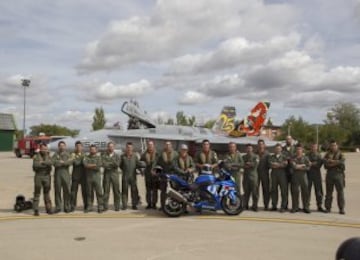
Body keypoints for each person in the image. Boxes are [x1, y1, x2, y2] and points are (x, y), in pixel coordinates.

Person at [324, 140, 346, 214]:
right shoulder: (327, 154)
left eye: (334, 145)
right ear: (330, 146)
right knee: (328, 193)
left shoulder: (341, 153)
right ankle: (328, 208)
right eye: (332, 145)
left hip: (338, 175)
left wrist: (332, 162)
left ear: (337, 146)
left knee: (340, 192)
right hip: (329, 175)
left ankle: (341, 208)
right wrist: (336, 162)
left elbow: (342, 162)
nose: (333, 147)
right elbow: (325, 164)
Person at [32, 143, 53, 216]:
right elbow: (35, 165)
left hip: (47, 176)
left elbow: (51, 163)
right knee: (37, 193)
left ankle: (48, 208)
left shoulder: (49, 156)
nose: (44, 150)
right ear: (40, 149)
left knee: (47, 193)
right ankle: (36, 209)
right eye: (43, 148)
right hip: (38, 176)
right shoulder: (36, 156)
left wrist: (42, 162)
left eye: (45, 149)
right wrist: (45, 164)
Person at [52, 141, 72, 213]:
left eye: (63, 145)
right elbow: (54, 163)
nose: (62, 147)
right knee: (57, 191)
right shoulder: (55, 154)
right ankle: (58, 207)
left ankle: (67, 206)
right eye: (60, 146)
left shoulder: (68, 154)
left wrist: (61, 162)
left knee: (67, 191)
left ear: (65, 146)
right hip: (57, 175)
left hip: (65, 175)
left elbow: (69, 163)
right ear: (58, 147)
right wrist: (63, 162)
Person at [156, 141, 178, 210]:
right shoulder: (161, 154)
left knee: (174, 191)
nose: (168, 146)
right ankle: (162, 206)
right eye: (166, 145)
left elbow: (178, 164)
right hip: (164, 175)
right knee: (163, 191)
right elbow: (158, 164)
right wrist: (158, 173)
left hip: (173, 175)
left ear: (171, 146)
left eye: (169, 145)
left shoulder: (175, 154)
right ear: (165, 146)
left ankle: (174, 205)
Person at [83, 144, 104, 213]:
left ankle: (100, 206)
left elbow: (98, 166)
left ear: (96, 150)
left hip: (96, 178)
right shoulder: (86, 157)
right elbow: (85, 165)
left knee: (99, 192)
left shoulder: (99, 158)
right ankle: (89, 206)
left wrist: (90, 165)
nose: (92, 150)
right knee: (89, 193)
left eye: (94, 149)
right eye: (91, 149)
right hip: (88, 178)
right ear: (89, 150)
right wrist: (94, 165)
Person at [120, 142, 141, 210]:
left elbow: (138, 164)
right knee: (124, 191)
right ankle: (124, 205)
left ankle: (134, 205)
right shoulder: (122, 156)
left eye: (130, 147)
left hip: (133, 177)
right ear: (126, 148)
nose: (129, 149)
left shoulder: (135, 156)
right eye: (128, 147)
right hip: (125, 177)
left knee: (134, 191)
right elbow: (120, 165)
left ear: (132, 148)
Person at [290, 144, 311, 214]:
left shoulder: (306, 158)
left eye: (300, 149)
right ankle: (295, 207)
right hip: (295, 177)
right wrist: (303, 165)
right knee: (295, 192)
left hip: (303, 176)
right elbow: (293, 166)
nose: (298, 150)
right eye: (297, 149)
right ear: (296, 150)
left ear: (302, 150)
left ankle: (306, 207)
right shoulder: (293, 158)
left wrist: (299, 166)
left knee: (305, 192)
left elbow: (308, 167)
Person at [268, 144, 288, 213]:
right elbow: (270, 164)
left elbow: (285, 164)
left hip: (282, 175)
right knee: (274, 191)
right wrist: (280, 164)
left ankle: (283, 206)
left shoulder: (284, 157)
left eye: (279, 149)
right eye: (276, 149)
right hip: (274, 175)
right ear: (274, 149)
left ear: (281, 149)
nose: (277, 150)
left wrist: (276, 164)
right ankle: (274, 206)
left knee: (283, 191)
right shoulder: (271, 157)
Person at [102, 142, 121, 211]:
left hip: (114, 175)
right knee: (106, 191)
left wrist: (109, 163)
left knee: (116, 191)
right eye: (109, 146)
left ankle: (117, 206)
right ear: (107, 147)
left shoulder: (117, 155)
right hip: (106, 175)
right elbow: (103, 164)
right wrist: (112, 163)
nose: (110, 148)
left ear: (114, 147)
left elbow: (117, 164)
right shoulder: (104, 155)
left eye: (112, 146)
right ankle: (105, 206)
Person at [141, 140, 159, 209]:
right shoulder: (144, 154)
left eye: (151, 145)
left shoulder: (157, 154)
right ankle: (149, 203)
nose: (150, 146)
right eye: (149, 145)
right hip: (147, 175)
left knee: (155, 190)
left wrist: (157, 171)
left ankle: (154, 204)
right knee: (148, 190)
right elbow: (141, 163)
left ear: (153, 146)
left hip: (155, 175)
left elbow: (160, 164)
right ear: (147, 146)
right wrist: (142, 170)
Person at [307, 143, 325, 212]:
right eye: (312, 147)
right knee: (307, 191)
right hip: (308, 175)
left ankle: (319, 206)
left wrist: (311, 163)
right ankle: (307, 205)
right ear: (310, 147)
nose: (313, 148)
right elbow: (306, 162)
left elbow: (319, 164)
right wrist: (313, 163)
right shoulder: (307, 155)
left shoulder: (319, 155)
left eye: (314, 147)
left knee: (319, 191)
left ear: (317, 148)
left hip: (317, 175)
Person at [70, 141, 87, 212]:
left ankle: (86, 206)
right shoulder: (72, 154)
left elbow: (85, 163)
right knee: (73, 192)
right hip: (75, 176)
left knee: (85, 192)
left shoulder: (85, 154)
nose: (78, 147)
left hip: (83, 176)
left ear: (82, 147)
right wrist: (81, 160)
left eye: (80, 146)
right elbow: (75, 163)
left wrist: (80, 160)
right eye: (77, 146)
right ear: (75, 147)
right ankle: (72, 206)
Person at [242, 144, 259, 211]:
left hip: (253, 177)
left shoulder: (256, 156)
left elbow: (255, 165)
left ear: (252, 149)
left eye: (250, 148)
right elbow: (242, 165)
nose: (249, 150)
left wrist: (249, 164)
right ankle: (245, 205)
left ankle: (255, 206)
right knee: (246, 192)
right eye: (247, 148)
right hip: (246, 177)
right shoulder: (243, 157)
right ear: (246, 149)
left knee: (255, 192)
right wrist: (248, 164)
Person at [256, 139, 271, 210]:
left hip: (265, 173)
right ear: (257, 145)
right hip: (256, 173)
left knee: (266, 190)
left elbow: (270, 164)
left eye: (262, 144)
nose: (260, 145)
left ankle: (266, 205)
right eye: (259, 144)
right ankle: (255, 205)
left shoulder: (267, 154)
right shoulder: (255, 153)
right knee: (255, 190)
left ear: (264, 145)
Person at [282, 135, 295, 209]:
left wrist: (290, 159)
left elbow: (297, 157)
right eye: (287, 139)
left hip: (293, 172)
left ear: (292, 140)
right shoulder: (282, 149)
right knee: (284, 190)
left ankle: (294, 206)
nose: (288, 140)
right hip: (284, 172)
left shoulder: (295, 149)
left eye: (289, 139)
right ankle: (284, 205)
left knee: (294, 190)